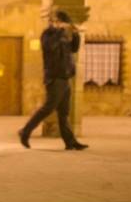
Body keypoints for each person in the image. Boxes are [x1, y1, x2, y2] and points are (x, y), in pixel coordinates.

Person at [18, 10, 88, 151]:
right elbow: (49, 47)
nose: (59, 24)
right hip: (54, 77)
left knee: (64, 113)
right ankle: (25, 131)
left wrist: (75, 34)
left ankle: (70, 142)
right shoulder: (48, 35)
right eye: (57, 21)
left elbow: (74, 49)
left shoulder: (63, 36)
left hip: (65, 77)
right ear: (52, 22)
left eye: (61, 22)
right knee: (48, 108)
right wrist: (60, 31)